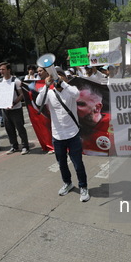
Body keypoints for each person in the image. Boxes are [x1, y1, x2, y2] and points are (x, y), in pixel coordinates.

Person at [36, 67, 90, 202]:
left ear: (65, 77)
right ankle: (67, 183)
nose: (56, 78)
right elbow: (38, 102)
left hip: (73, 134)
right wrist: (46, 85)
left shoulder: (70, 92)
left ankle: (83, 187)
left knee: (77, 163)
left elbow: (77, 94)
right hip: (57, 136)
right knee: (62, 163)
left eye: (60, 75)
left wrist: (62, 82)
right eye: (54, 76)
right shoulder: (49, 93)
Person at [0, 62, 30, 155]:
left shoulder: (16, 81)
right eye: (0, 69)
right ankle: (14, 146)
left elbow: (21, 95)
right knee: (9, 129)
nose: (1, 71)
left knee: (20, 128)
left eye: (3, 69)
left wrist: (14, 103)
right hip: (5, 109)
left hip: (16, 109)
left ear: (8, 70)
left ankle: (25, 146)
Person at [75, 79, 111, 155]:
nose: (74, 108)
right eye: (73, 104)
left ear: (97, 108)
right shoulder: (73, 126)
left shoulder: (114, 124)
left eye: (81, 104)